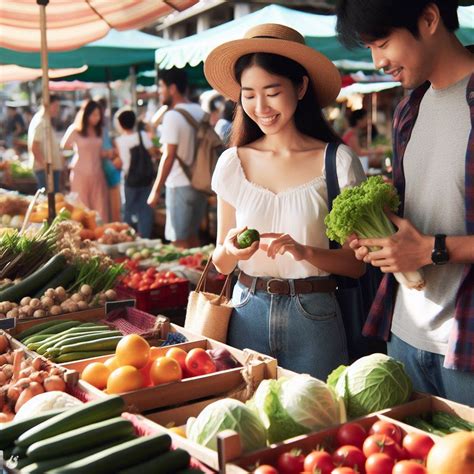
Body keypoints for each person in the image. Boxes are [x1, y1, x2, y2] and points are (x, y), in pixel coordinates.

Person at [204, 23, 366, 379]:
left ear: (301, 86)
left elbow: (357, 264)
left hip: (316, 314)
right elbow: (220, 262)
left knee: (319, 425)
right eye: (248, 94)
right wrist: (232, 250)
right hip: (246, 310)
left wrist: (306, 252)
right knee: (250, 422)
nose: (260, 106)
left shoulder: (337, 162)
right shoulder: (233, 162)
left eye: (272, 91)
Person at [336, 0, 474, 405]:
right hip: (405, 337)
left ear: (429, 18)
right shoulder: (408, 110)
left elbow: (426, 243)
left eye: (382, 42)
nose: (378, 61)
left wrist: (432, 249)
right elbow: (415, 218)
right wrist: (379, 239)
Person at [147, 68, 208, 249]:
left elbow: (169, 155)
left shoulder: (173, 116)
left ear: (172, 88)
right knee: (193, 237)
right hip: (200, 183)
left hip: (178, 184)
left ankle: (184, 277)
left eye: (161, 87)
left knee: (178, 241)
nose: (159, 92)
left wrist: (156, 190)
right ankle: (198, 277)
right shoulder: (200, 111)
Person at [61, 100, 109, 223]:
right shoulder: (75, 129)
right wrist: (78, 149)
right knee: (81, 208)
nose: (96, 118)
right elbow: (64, 145)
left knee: (100, 208)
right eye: (93, 114)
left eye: (98, 115)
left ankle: (100, 235)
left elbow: (101, 150)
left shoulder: (100, 131)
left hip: (97, 173)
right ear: (85, 114)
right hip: (79, 174)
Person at [115, 109, 155, 238]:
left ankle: (128, 237)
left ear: (120, 124)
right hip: (145, 178)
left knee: (128, 210)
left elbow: (120, 161)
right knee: (145, 210)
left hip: (130, 179)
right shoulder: (142, 135)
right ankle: (145, 237)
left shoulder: (119, 141)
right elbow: (152, 152)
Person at [28, 95, 64, 192]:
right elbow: (34, 147)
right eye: (55, 106)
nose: (57, 109)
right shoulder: (41, 121)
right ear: (47, 105)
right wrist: (46, 167)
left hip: (50, 169)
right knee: (47, 201)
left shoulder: (45, 120)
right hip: (45, 170)